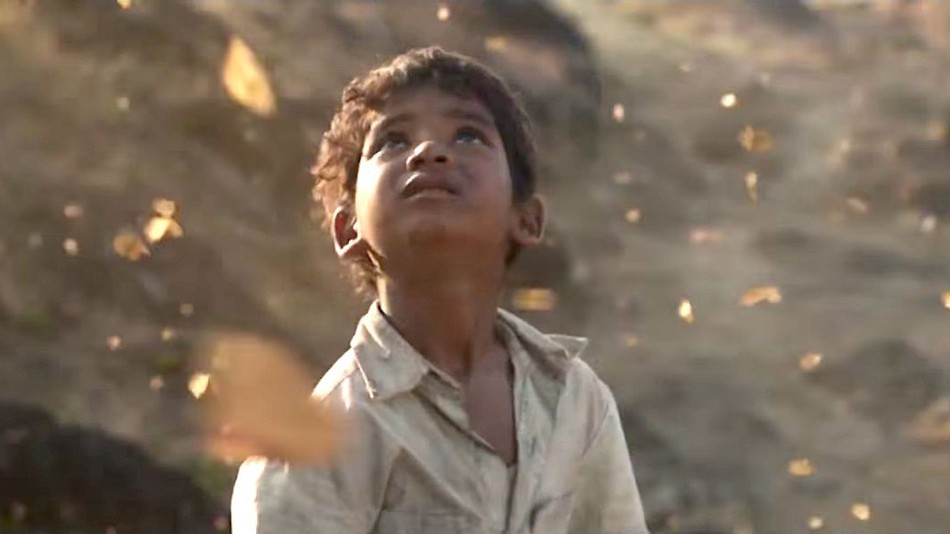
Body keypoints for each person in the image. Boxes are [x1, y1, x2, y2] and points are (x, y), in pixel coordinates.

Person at [231, 46, 649, 534]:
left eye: (469, 135)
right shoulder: (317, 448)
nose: (429, 151)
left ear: (527, 219)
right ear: (347, 230)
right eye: (392, 140)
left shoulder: (576, 401)